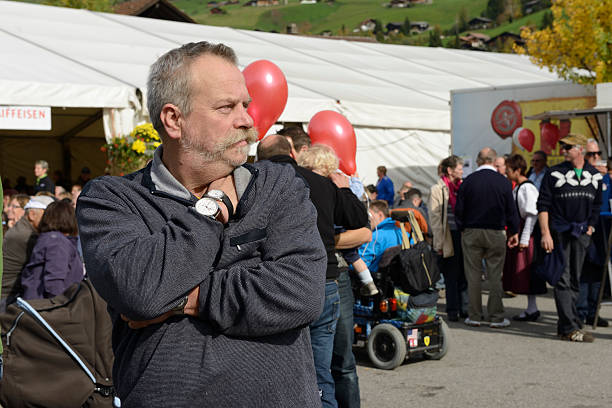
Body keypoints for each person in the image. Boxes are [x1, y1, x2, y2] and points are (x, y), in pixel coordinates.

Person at [76, 42, 327, 407]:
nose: (247, 120)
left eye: (245, 105)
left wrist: (189, 298)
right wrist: (212, 207)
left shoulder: (278, 186)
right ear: (174, 120)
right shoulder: (112, 199)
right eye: (227, 107)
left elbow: (302, 293)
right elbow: (141, 292)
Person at [257, 135, 368, 408]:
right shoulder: (320, 183)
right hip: (325, 279)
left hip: (278, 280)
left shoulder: (254, 180)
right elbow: (361, 222)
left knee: (290, 369)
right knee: (324, 370)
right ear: (294, 152)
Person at [538, 133, 602, 342]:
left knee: (575, 278)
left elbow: (596, 205)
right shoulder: (554, 173)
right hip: (559, 233)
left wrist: (591, 227)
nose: (563, 151)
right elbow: (543, 205)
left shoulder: (594, 175)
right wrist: (546, 233)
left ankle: (566, 323)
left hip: (582, 234)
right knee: (563, 279)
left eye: (568, 147)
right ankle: (570, 327)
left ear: (580, 149)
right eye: (562, 147)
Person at [297, 144, 378, 296]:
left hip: (335, 269)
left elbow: (365, 233)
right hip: (314, 269)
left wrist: (324, 240)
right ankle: (369, 283)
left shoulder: (339, 188)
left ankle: (369, 283)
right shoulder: (301, 190)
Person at [455, 147, 519, 328]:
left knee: (473, 276)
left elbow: (459, 209)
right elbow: (511, 210)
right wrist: (514, 231)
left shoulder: (467, 182)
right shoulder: (503, 182)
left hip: (471, 231)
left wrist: (462, 228)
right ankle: (496, 317)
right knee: (495, 276)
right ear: (494, 160)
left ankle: (474, 315)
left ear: (478, 161)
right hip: (496, 232)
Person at [503, 154, 546, 321]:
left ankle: (532, 308)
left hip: (528, 234)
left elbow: (531, 215)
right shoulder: (519, 187)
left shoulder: (527, 188)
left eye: (508, 170)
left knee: (528, 272)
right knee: (526, 273)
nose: (506, 173)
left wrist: (524, 239)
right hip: (521, 232)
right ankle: (531, 308)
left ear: (517, 170)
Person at [429, 155, 467, 322]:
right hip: (447, 236)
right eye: (459, 168)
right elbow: (435, 219)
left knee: (464, 273)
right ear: (450, 170)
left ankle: (465, 308)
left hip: (463, 234)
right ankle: (453, 310)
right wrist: (438, 242)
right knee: (451, 274)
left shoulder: (462, 187)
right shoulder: (437, 189)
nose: (462, 171)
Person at [20, 200, 83, 300]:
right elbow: (54, 282)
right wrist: (63, 306)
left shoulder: (52, 239)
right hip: (49, 308)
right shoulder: (57, 242)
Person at [576, 139, 609, 327]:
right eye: (591, 154)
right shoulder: (581, 175)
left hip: (603, 231)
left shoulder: (605, 177)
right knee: (583, 271)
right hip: (583, 229)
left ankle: (593, 312)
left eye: (597, 154)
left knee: (598, 272)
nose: (596, 158)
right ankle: (580, 311)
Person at [1, 195, 54, 308]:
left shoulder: (22, 229)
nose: (51, 220)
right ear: (32, 215)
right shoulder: (26, 236)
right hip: (9, 297)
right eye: (47, 215)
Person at [359, 200, 403, 272]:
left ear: (380, 215)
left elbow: (361, 262)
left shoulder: (374, 237)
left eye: (369, 215)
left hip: (377, 278)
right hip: (400, 277)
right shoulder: (402, 233)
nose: (367, 219)